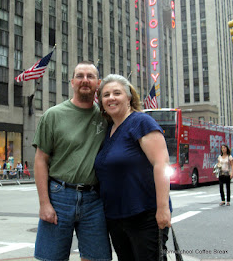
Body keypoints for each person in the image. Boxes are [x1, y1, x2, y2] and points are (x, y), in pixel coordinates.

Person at [33, 61, 111, 261]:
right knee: (50, 258)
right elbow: (41, 160)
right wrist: (44, 204)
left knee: (97, 258)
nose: (85, 80)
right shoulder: (53, 115)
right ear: (72, 82)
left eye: (90, 76)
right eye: (80, 76)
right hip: (59, 196)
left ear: (98, 83)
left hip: (94, 199)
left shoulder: (107, 117)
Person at [95, 74, 172, 261]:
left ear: (129, 97)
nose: (111, 98)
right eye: (106, 95)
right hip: (116, 218)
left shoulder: (141, 122)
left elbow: (161, 164)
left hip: (145, 215)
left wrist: (162, 209)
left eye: (116, 93)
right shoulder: (109, 130)